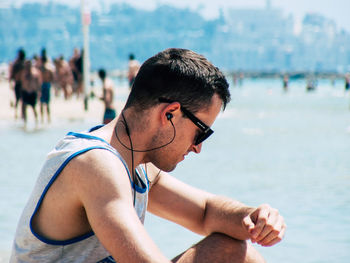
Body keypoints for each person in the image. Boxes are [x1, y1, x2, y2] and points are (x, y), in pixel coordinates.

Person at [11, 48, 286, 263]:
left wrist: (254, 217)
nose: (198, 147)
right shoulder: (95, 164)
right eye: (201, 132)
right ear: (169, 114)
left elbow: (205, 213)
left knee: (233, 251)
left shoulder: (136, 164)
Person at [20, 60, 42, 127]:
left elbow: (39, 83)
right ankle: (25, 122)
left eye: (28, 64)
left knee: (33, 107)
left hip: (33, 92)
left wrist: (39, 91)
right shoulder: (24, 73)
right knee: (24, 107)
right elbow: (22, 82)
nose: (27, 66)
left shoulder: (35, 72)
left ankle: (36, 122)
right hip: (25, 92)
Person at [9, 48, 26, 119]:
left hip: (22, 84)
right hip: (20, 83)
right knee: (19, 99)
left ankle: (20, 114)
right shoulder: (19, 64)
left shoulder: (20, 63)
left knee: (20, 100)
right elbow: (12, 75)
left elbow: (12, 75)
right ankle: (18, 114)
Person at [39, 56, 55, 123]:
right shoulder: (49, 68)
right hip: (47, 84)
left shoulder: (40, 68)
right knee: (47, 103)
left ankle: (42, 119)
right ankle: (48, 118)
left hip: (42, 85)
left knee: (42, 103)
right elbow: (52, 77)